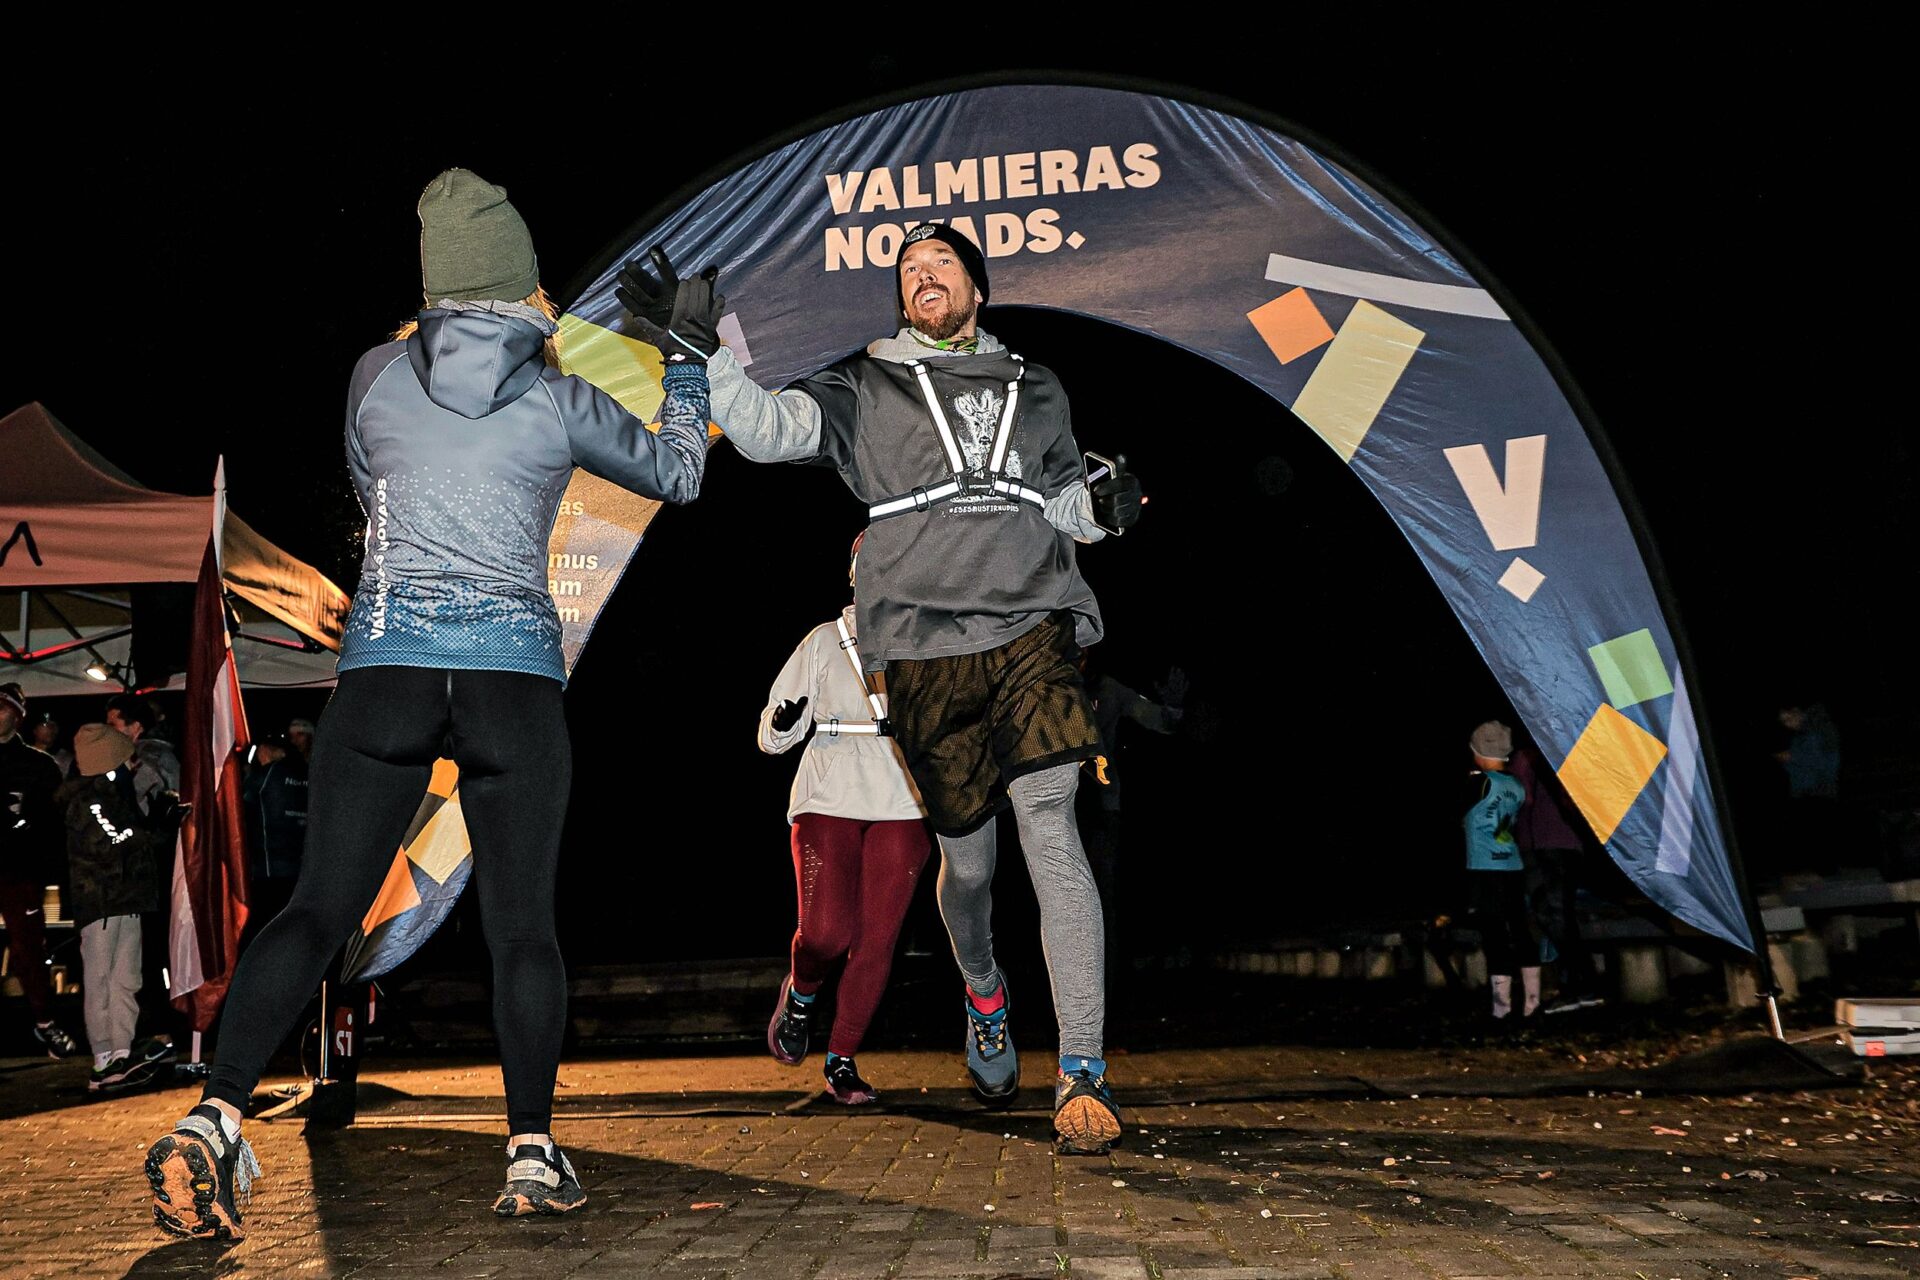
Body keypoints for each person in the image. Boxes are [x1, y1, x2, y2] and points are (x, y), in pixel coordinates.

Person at [141, 167, 712, 1241]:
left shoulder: (374, 374)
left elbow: (372, 487)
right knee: (522, 926)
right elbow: (680, 476)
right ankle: (532, 1153)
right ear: (523, 280)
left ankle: (213, 1117)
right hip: (512, 683)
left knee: (317, 909)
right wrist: (685, 360)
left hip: (388, 674)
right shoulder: (559, 394)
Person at [622, 218, 1144, 1153]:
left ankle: (1082, 1072)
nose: (922, 274)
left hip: (1033, 629)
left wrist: (1103, 509)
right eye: (908, 269)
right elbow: (772, 432)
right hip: (924, 652)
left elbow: (1066, 503)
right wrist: (702, 356)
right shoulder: (867, 385)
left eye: (941, 262)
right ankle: (984, 988)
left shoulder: (1039, 387)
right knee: (970, 868)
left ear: (976, 289)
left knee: (1051, 828)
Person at [761, 533, 933, 1105]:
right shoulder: (822, 640)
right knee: (826, 933)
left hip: (901, 794)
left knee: (878, 939)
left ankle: (842, 1058)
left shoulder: (922, 638)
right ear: (855, 573)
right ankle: (801, 992)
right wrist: (785, 721)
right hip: (829, 791)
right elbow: (771, 734)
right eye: (869, 564)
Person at [63, 724, 179, 1092]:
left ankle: (120, 1053)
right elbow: (112, 840)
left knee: (126, 980)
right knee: (101, 980)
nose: (133, 764)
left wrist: (159, 823)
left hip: (128, 901)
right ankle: (103, 1057)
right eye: (126, 757)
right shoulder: (88, 799)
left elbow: (132, 841)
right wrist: (155, 827)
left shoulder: (114, 793)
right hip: (100, 905)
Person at [1076, 652, 1185, 974]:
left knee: (1102, 898)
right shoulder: (1050, 684)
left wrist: (1173, 708)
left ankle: (1103, 978)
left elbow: (1158, 719)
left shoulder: (1109, 689)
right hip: (1058, 807)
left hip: (1101, 809)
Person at [0, 682, 81, 1059]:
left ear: (18, 716)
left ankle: (45, 1022)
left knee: (28, 949)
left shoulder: (39, 765)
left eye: (3, 707)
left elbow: (54, 823)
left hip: (18, 871)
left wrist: (27, 832)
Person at [1508, 737, 1605, 1013]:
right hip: (1566, 842)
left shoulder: (1528, 757)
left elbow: (1522, 798)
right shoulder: (1565, 750)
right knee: (1558, 915)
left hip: (1544, 844)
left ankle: (1580, 986)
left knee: (1553, 914)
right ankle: (1580, 985)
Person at [1461, 720, 1539, 1022]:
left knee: (1494, 933)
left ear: (1479, 752)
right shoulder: (1516, 785)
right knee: (1520, 929)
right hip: (1512, 865)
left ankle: (1501, 1008)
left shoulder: (1478, 784)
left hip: (1485, 867)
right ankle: (1532, 1003)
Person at [239, 733, 307, 949]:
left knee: (262, 931)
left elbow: (237, 807)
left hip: (268, 870)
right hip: (300, 870)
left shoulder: (265, 776)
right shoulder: (306, 773)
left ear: (267, 751)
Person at [1773, 700, 1841, 877]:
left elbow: (1821, 762)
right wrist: (1787, 761)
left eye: (1789, 718)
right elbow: (1800, 766)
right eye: (1784, 722)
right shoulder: (1801, 734)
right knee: (1811, 833)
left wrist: (1792, 757)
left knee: (1821, 832)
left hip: (1820, 787)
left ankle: (1826, 871)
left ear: (1797, 710)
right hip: (1807, 789)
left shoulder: (1818, 728)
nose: (1788, 724)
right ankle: (1819, 870)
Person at [28, 710, 74, 779]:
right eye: (45, 724)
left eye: (54, 725)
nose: (51, 728)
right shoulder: (22, 755)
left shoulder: (67, 759)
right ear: (35, 730)